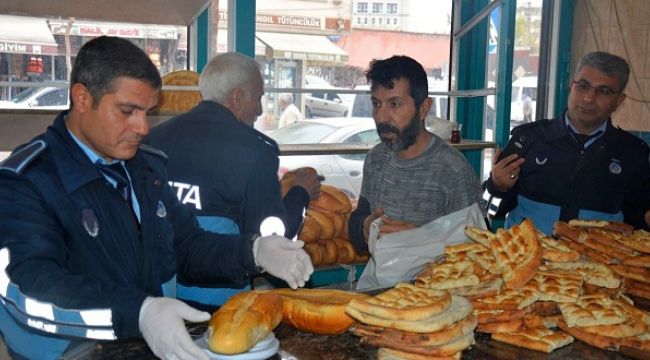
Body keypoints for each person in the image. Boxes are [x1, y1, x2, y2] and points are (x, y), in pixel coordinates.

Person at [0, 36, 313, 360]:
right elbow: (24, 288)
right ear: (82, 98)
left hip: (143, 349)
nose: (142, 127)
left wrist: (254, 251)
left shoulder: (144, 170)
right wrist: (139, 312)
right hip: (67, 352)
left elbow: (187, 247)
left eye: (147, 112)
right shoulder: (25, 181)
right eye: (127, 111)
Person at [145, 52, 321, 309]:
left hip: (159, 297)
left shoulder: (154, 140)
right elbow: (274, 237)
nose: (260, 110)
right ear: (237, 97)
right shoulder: (256, 151)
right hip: (221, 301)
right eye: (259, 98)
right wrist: (300, 194)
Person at [484, 51, 650, 234]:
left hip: (596, 259)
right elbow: (490, 209)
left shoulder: (632, 152)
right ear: (572, 86)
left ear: (619, 101)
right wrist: (497, 187)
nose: (589, 98)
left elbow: (637, 223)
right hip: (527, 256)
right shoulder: (528, 139)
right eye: (583, 86)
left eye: (604, 91)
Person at [347, 55, 482, 254]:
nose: (382, 117)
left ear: (423, 108)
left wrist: (423, 242)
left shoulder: (454, 172)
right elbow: (359, 220)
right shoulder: (376, 159)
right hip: (380, 284)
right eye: (376, 104)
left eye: (394, 104)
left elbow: (477, 252)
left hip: (433, 284)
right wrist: (364, 229)